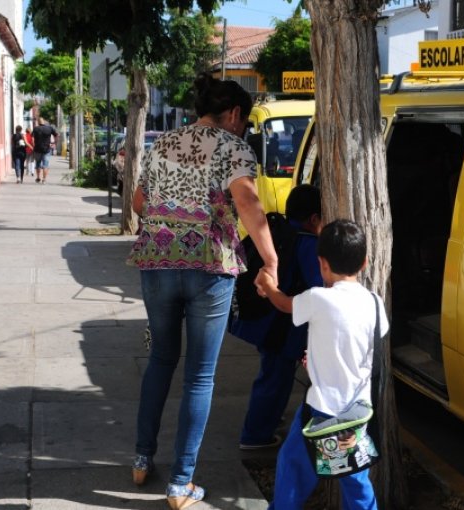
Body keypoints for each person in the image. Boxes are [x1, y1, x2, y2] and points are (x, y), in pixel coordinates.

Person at [127, 72, 279, 510]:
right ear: (233, 114)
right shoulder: (234, 147)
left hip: (156, 264)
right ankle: (180, 485)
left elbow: (139, 202)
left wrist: (169, 212)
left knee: (160, 359)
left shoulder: (162, 144)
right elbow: (248, 203)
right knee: (199, 375)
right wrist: (270, 259)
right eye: (244, 121)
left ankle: (141, 460)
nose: (243, 129)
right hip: (209, 268)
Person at [255, 219, 388, 510]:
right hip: (357, 413)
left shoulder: (317, 299)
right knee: (355, 478)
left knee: (293, 467)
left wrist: (267, 283)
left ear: (322, 264)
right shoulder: (376, 303)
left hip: (321, 412)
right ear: (365, 262)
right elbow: (361, 344)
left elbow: (282, 303)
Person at [232, 184, 323, 450]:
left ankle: (267, 419)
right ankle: (256, 435)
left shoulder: (276, 232)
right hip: (283, 325)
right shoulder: (307, 243)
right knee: (275, 378)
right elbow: (318, 287)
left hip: (263, 319)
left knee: (272, 373)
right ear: (314, 219)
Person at [31, 118, 59, 183]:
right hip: (46, 149)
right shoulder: (49, 128)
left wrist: (34, 145)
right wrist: (54, 143)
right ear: (44, 122)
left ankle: (38, 177)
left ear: (38, 122)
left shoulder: (36, 129)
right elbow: (57, 135)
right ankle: (44, 179)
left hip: (37, 149)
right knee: (45, 165)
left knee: (38, 164)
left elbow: (32, 138)